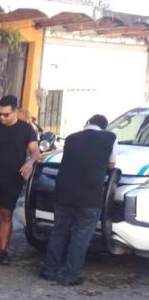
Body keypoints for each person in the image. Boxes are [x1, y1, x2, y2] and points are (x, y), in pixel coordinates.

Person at [40, 115, 117, 286]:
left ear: (88, 123)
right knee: (81, 236)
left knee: (59, 231)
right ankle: (70, 276)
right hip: (90, 195)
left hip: (64, 192)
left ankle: (49, 270)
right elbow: (111, 165)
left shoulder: (71, 138)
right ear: (104, 127)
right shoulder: (110, 138)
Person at [0, 95, 39, 268]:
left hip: (13, 177)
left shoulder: (26, 129)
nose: (1, 117)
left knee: (6, 215)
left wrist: (30, 163)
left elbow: (35, 151)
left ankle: (3, 251)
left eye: (6, 114)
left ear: (15, 112)